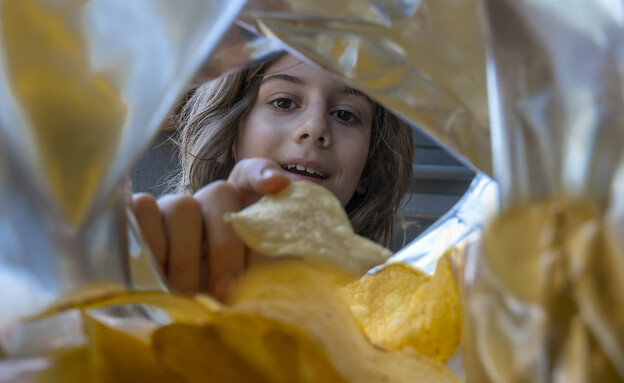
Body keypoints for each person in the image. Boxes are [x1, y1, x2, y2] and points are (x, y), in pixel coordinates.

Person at [132, 53, 414, 300]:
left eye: (345, 114)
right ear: (228, 135)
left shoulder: (396, 313)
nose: (314, 127)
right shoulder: (158, 274)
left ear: (368, 169)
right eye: (283, 102)